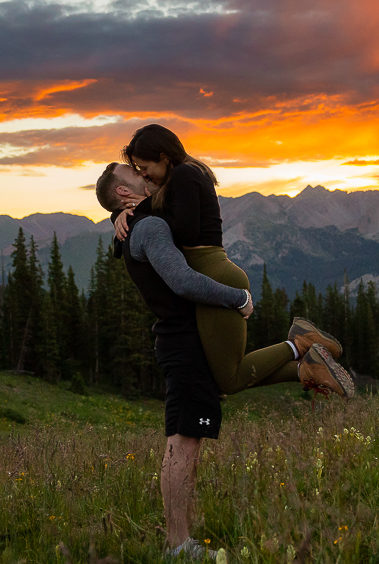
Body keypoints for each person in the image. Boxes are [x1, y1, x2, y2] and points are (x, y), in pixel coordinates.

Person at [95, 162, 352, 557]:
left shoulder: (139, 223)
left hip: (183, 342)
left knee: (205, 414)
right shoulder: (149, 227)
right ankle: (179, 546)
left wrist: (120, 216)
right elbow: (182, 280)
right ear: (124, 194)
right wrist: (239, 298)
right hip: (185, 345)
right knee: (184, 444)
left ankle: (304, 363)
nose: (145, 176)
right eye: (135, 176)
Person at [110, 124, 345, 396]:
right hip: (211, 271)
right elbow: (144, 228)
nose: (143, 174)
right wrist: (122, 216)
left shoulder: (185, 174)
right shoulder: (181, 176)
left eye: (144, 167)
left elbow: (186, 230)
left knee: (229, 379)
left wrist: (142, 209)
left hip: (213, 273)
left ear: (163, 157)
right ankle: (306, 369)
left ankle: (299, 344)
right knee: (221, 376)